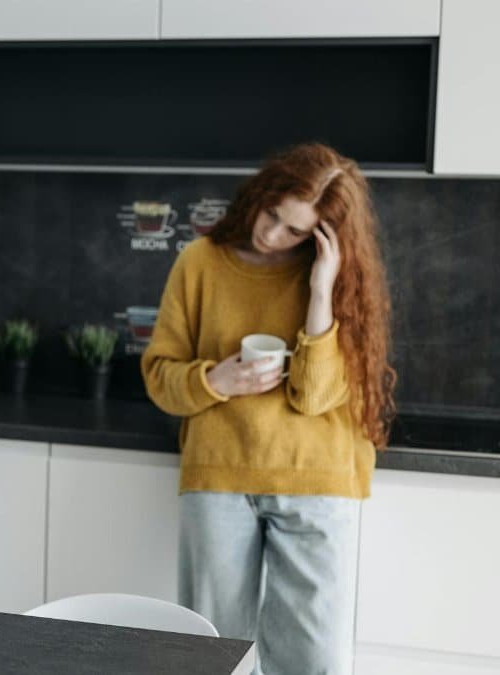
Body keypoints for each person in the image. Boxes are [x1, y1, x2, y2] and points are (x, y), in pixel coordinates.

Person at [141, 143, 395, 674]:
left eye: (295, 231)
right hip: (220, 474)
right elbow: (160, 377)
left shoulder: (338, 280)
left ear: (322, 235)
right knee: (214, 655)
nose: (272, 234)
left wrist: (321, 291)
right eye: (273, 214)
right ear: (260, 194)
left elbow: (317, 397)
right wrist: (215, 378)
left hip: (319, 479)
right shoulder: (200, 263)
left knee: (315, 660)